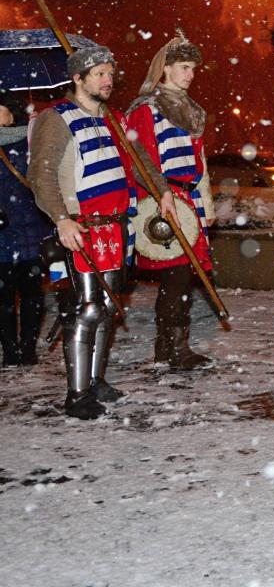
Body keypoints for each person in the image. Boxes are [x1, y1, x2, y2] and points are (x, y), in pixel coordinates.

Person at [28, 43, 176, 419]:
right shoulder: (57, 118)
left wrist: (163, 190)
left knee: (109, 306)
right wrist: (61, 218)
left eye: (111, 74)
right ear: (78, 79)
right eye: (99, 74)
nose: (108, 80)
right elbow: (41, 175)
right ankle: (77, 394)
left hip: (115, 226)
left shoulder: (113, 119)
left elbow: (140, 160)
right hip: (82, 226)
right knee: (88, 309)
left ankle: (95, 380)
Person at [125, 31, 215, 370]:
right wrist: (161, 197)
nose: (190, 74)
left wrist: (204, 207)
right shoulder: (147, 109)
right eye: (184, 67)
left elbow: (198, 165)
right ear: (166, 68)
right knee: (176, 277)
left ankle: (168, 346)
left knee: (181, 277)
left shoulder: (192, 110)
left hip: (187, 198)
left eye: (193, 68)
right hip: (162, 200)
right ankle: (175, 348)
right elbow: (142, 160)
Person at [0, 91, 51, 367]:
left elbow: (41, 179)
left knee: (32, 296)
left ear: (11, 112)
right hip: (1, 236)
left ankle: (28, 348)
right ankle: (9, 350)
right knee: (3, 299)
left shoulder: (30, 141)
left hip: (29, 231)